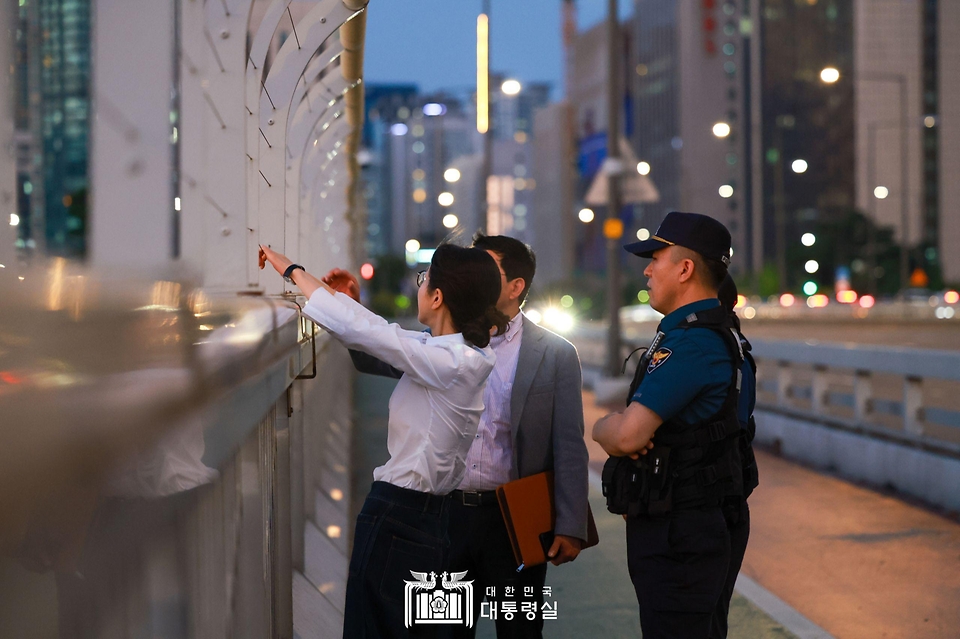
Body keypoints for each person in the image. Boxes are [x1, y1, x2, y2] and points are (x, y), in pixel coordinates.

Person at [328, 234, 590, 638]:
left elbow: (570, 444)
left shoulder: (554, 352)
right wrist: (349, 304)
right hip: (444, 517)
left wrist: (569, 524)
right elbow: (374, 352)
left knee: (520, 630)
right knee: (444, 631)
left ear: (516, 286)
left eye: (485, 266)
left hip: (513, 518)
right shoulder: (445, 343)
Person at [259, 243, 508, 638]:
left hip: (397, 518)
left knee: (372, 629)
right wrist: (348, 302)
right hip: (433, 519)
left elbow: (375, 335)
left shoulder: (448, 362)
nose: (419, 288)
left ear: (438, 297)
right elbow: (386, 336)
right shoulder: (460, 357)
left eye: (423, 280)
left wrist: (292, 270)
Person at [593, 211, 744, 638]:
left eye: (655, 258)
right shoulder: (721, 331)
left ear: (685, 268)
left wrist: (604, 426)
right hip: (697, 521)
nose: (646, 268)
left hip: (682, 530)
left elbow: (626, 436)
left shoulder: (692, 343)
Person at [710, 274, 759, 639]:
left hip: (704, 503)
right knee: (713, 617)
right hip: (730, 494)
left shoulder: (707, 349)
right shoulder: (738, 347)